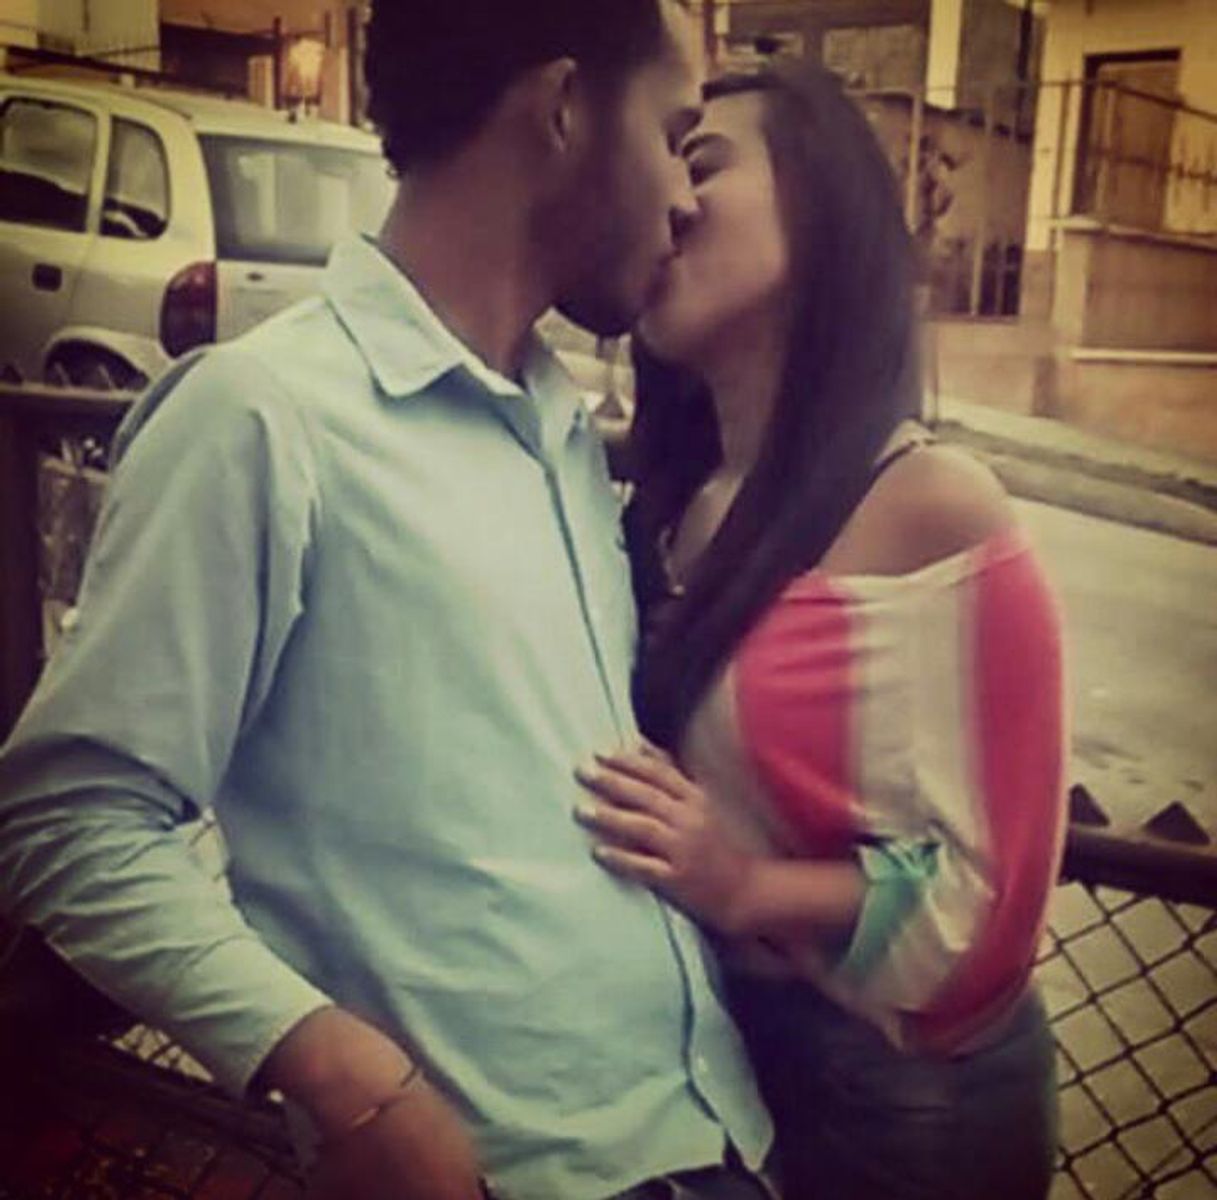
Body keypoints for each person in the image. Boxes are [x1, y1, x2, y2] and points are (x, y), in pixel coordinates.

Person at [0, 5, 777, 1198]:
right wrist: (338, 1067)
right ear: (565, 107)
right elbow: (70, 820)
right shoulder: (264, 416)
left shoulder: (562, 427)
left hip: (719, 1136)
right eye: (674, 137)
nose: (683, 196)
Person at [575, 64, 1066, 1200]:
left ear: (821, 202)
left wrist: (744, 885)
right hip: (717, 1058)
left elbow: (985, 905)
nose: (669, 198)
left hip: (901, 1100)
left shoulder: (932, 508)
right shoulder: (672, 506)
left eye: (703, 163)